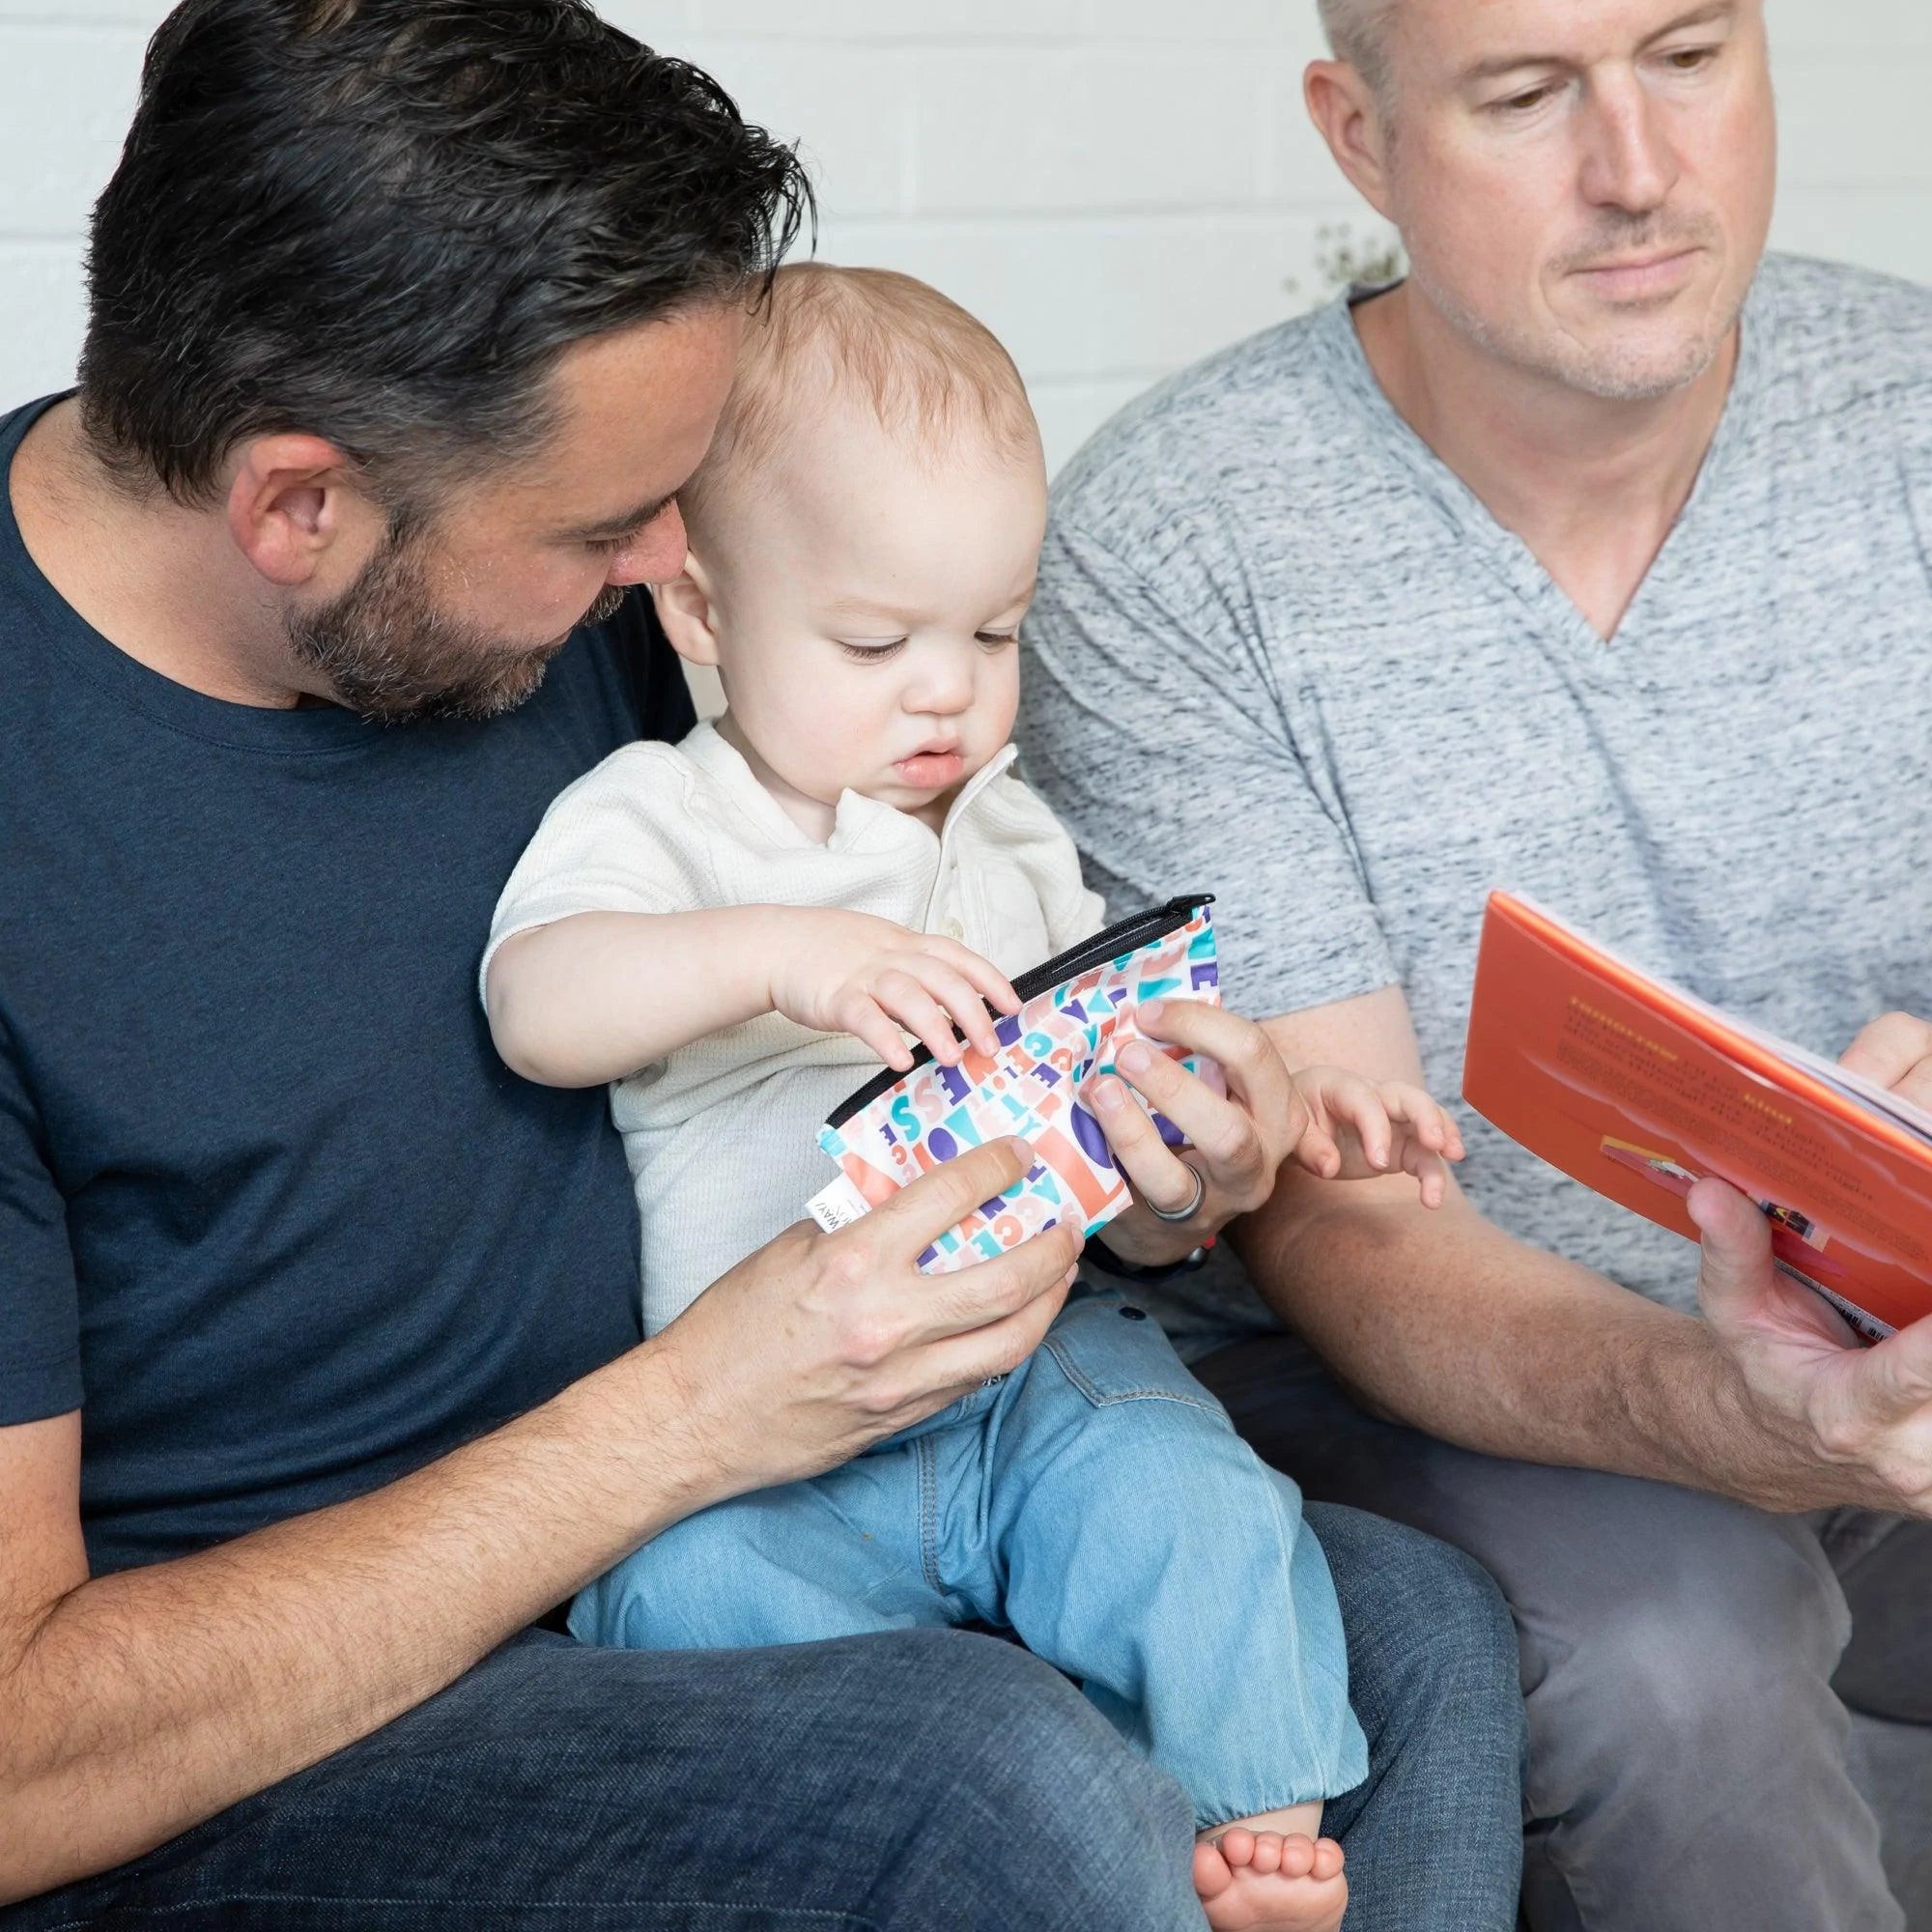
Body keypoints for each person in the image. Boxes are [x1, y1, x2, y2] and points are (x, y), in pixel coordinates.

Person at [0, 5, 1525, 1927]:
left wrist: (1160, 1158)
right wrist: (692, 1422)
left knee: (1415, 1633)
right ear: (299, 506)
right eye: (599, 528)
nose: (666, 566)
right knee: (980, 1783)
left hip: (778, 1468)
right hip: (274, 1731)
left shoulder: (558, 594)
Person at [1019, 1, 1932, 1928]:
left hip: (1890, 1332)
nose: (1635, 168)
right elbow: (1353, 1234)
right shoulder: (1182, 538)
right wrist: (1739, 1414)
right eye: (1525, 96)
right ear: (1358, 137)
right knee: (1683, 1650)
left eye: (1686, 59)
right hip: (1466, 1385)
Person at [483, 262, 1516, 1932]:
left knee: (1196, 1512)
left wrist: (1271, 1107)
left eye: (995, 632)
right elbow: (538, 1007)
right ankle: (1063, 1823)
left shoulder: (1011, 837)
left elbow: (1120, 1086)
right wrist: (776, 959)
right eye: (878, 639)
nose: (949, 690)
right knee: (679, 1594)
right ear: (701, 618)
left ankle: (1250, 1821)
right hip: (767, 1440)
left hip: (1036, 1364)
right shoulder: (660, 820)